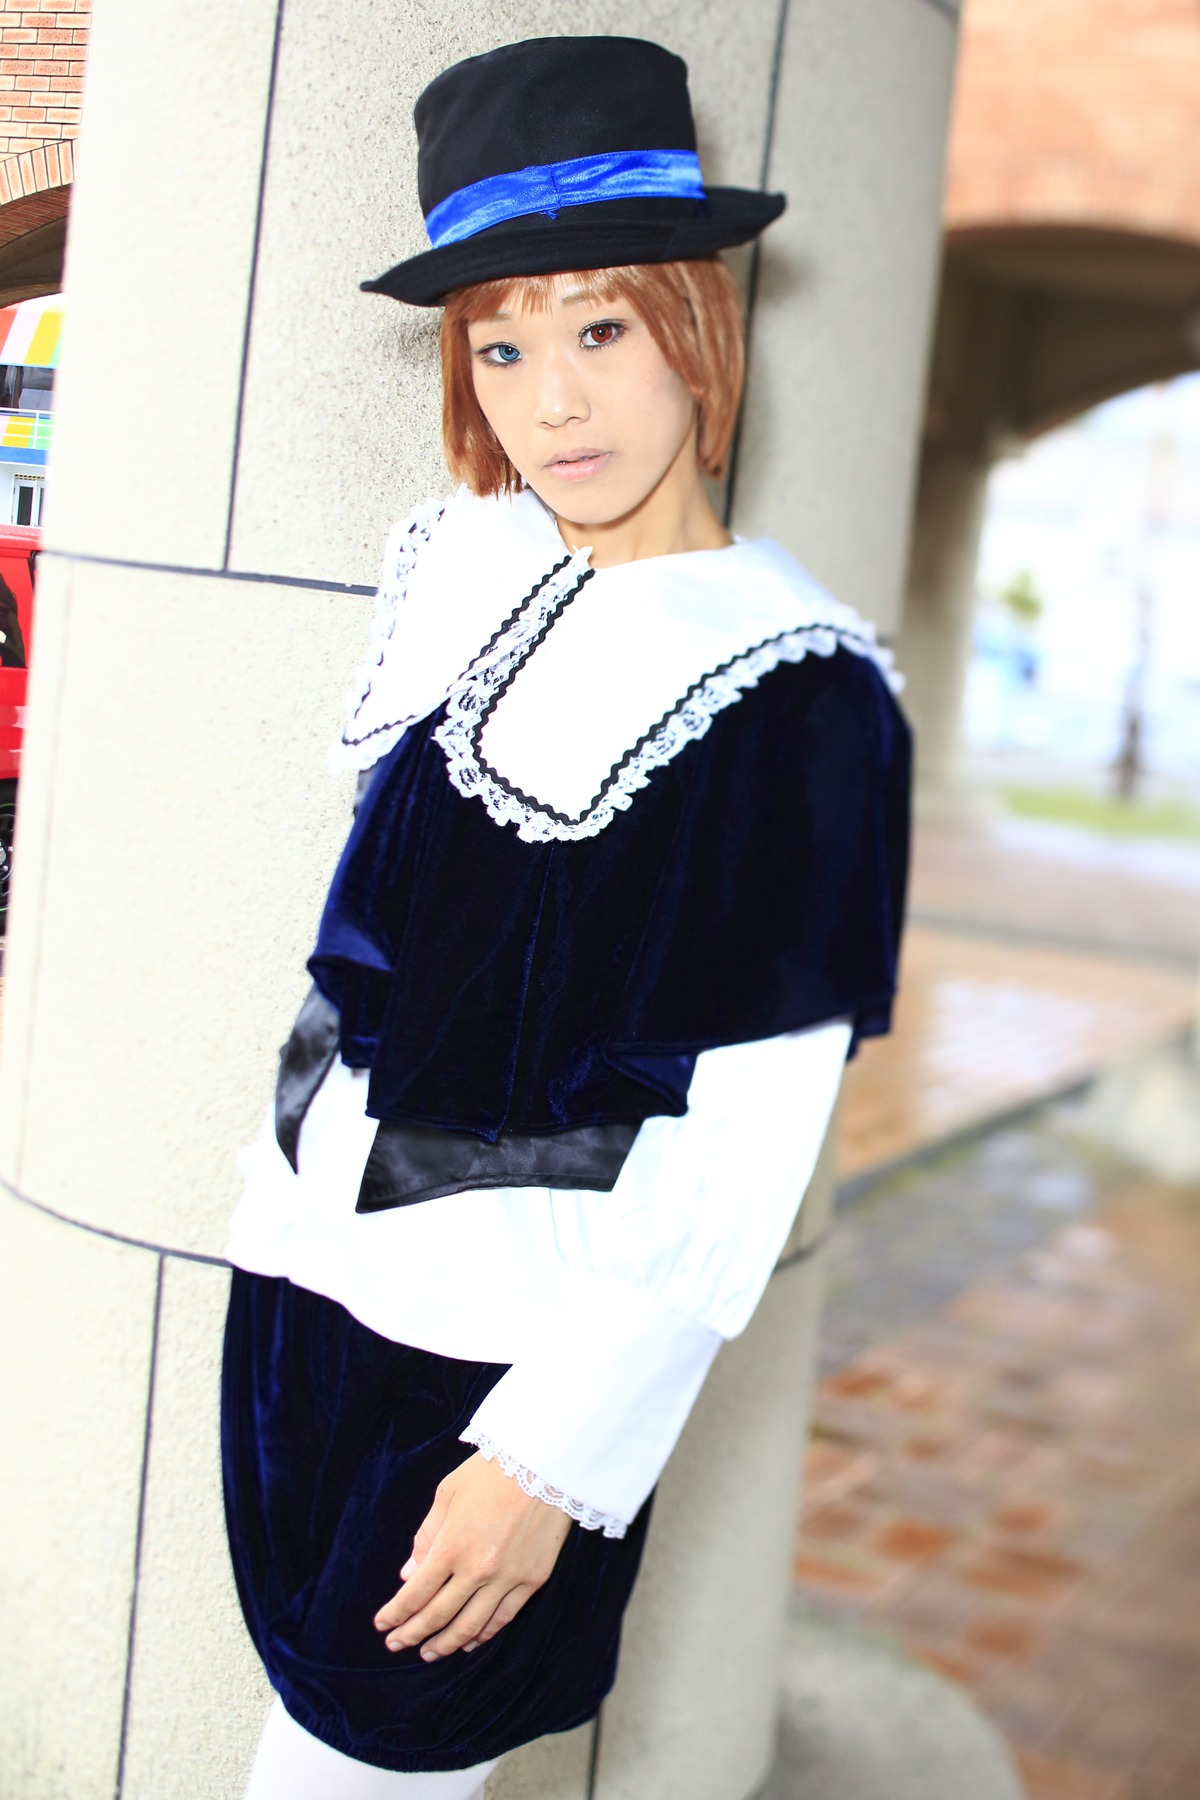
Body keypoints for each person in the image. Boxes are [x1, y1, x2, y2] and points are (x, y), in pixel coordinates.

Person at [221, 34, 910, 1800]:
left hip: (499, 1362)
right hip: (305, 1301)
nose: (552, 404)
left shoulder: (800, 689)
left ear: (698, 326)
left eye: (600, 329)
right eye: (502, 345)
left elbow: (745, 1142)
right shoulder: (480, 574)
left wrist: (555, 1454)